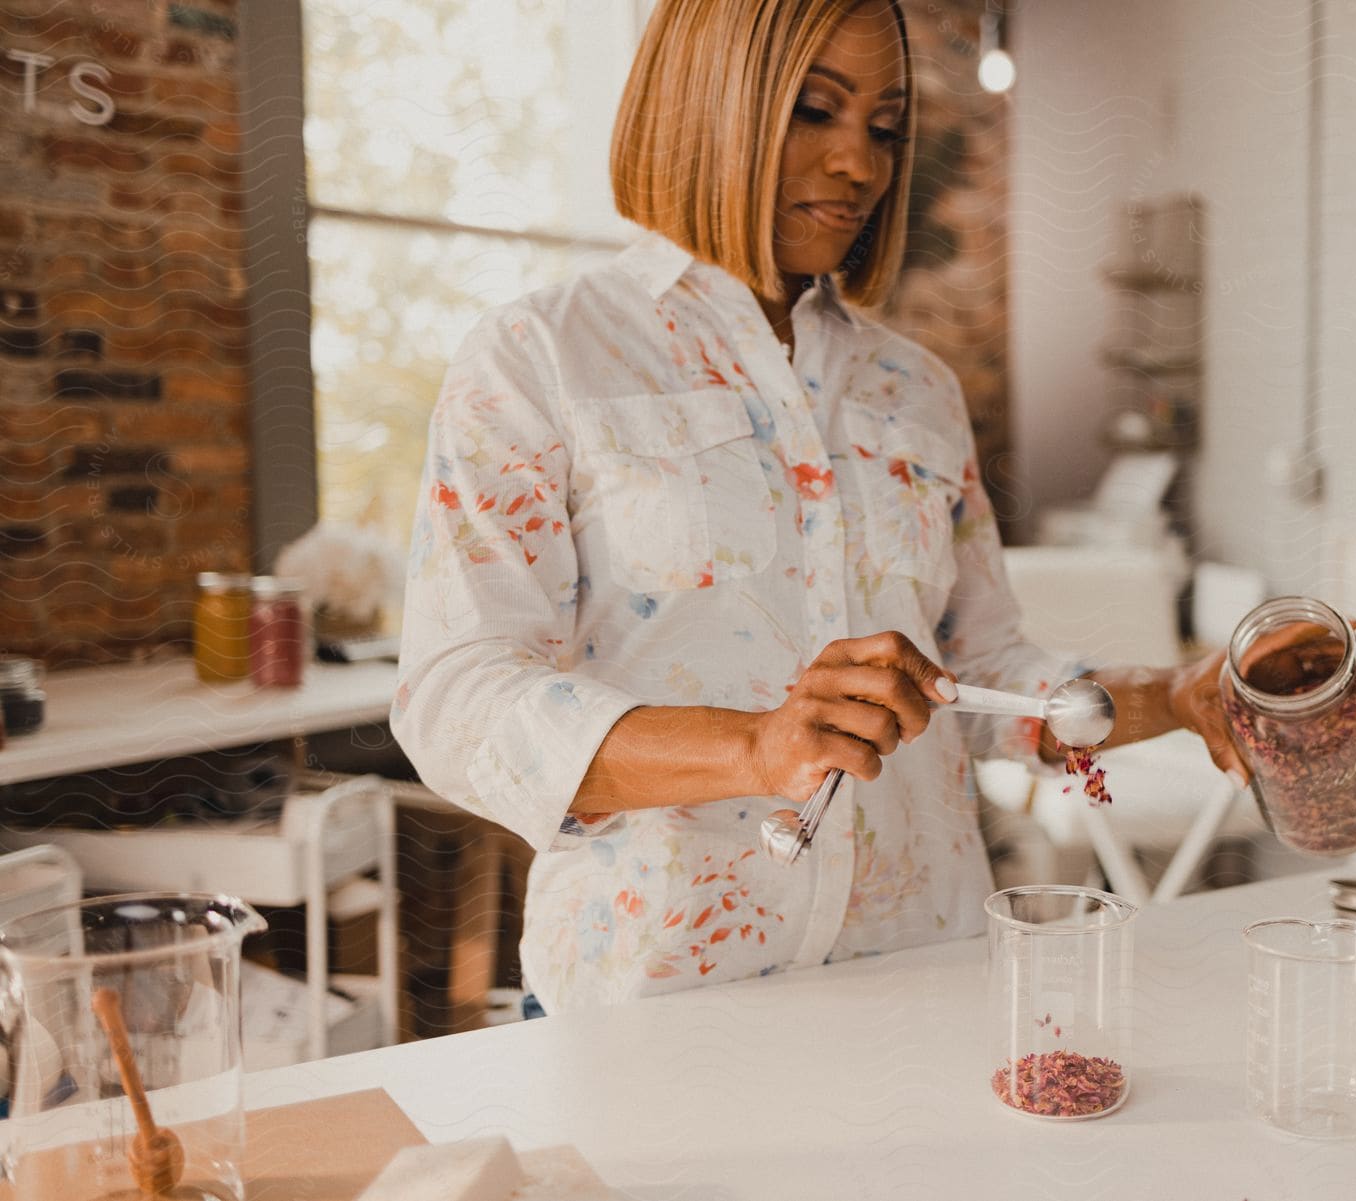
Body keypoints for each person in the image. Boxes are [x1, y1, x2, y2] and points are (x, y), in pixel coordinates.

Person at [392, 0, 1244, 1015]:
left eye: (885, 128)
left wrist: (1183, 693)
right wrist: (755, 745)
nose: (861, 165)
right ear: (709, 102)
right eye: (814, 111)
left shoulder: (916, 390)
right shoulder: (542, 357)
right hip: (654, 994)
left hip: (924, 971)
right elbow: (457, 698)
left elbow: (983, 675)